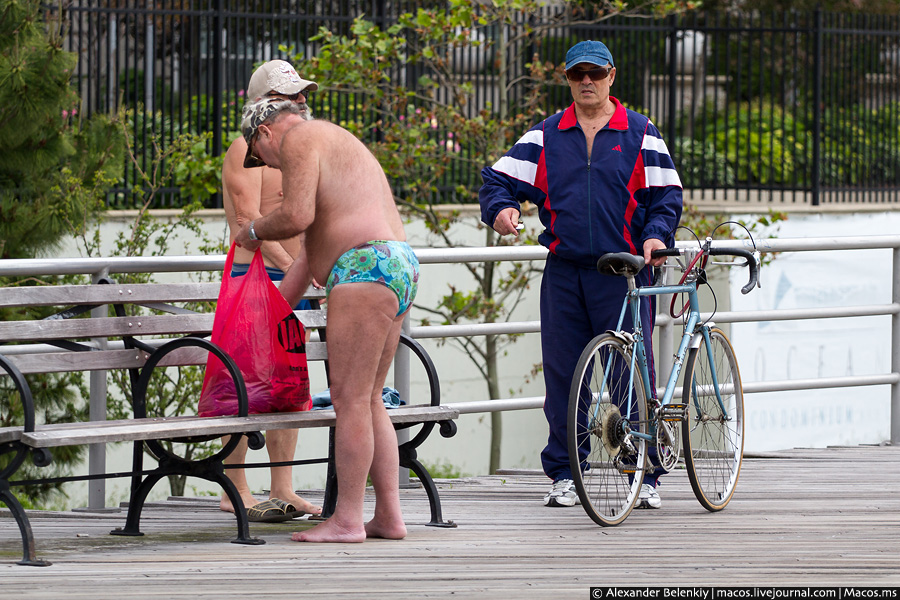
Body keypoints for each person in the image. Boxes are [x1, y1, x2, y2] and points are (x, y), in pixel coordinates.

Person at [478, 40, 683, 509]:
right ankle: (568, 473)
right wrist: (503, 209)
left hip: (625, 273)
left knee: (630, 372)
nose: (586, 81)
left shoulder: (640, 132)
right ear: (567, 79)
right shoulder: (547, 135)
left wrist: (655, 236)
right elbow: (496, 180)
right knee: (564, 375)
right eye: (576, 75)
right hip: (565, 272)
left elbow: (667, 197)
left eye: (594, 73)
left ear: (612, 75)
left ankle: (644, 472)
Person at [234, 96, 419, 543]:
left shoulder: (298, 138)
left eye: (262, 159)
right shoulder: (334, 142)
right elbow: (310, 258)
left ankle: (347, 520)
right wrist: (265, 318)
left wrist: (252, 231)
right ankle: (389, 517)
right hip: (395, 263)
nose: (270, 169)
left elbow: (297, 216)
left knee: (351, 400)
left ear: (265, 133)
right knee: (371, 398)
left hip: (363, 268)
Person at [217, 60, 322, 522]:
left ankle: (283, 485)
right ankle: (233, 486)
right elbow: (247, 223)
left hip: (300, 276)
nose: (300, 104)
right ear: (261, 106)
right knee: (242, 381)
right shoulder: (246, 148)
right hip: (257, 276)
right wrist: (297, 267)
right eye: (288, 99)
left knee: (290, 380)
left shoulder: (303, 149)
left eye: (301, 96)